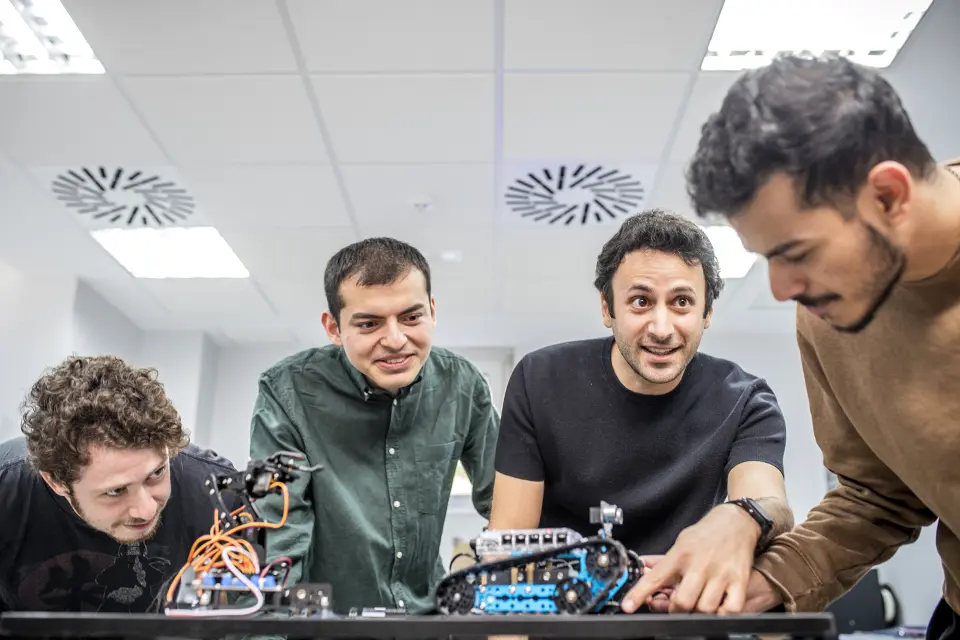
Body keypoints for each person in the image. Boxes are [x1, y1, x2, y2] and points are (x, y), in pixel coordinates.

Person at [649, 52, 960, 634]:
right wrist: (760, 581)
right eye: (768, 259)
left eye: (796, 253)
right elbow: (876, 497)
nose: (782, 287)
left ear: (889, 196)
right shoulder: (828, 318)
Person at [490, 209, 793, 613]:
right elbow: (505, 552)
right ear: (607, 308)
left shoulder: (746, 401)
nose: (662, 328)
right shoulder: (539, 380)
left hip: (682, 619)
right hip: (563, 623)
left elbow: (768, 503)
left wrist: (743, 516)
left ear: (707, 313)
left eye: (682, 302)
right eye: (640, 301)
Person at [248, 236, 499, 615]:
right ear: (333, 327)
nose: (396, 340)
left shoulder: (462, 385)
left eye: (412, 317)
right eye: (369, 324)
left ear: (432, 310)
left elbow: (506, 503)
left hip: (426, 621)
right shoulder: (288, 392)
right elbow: (281, 531)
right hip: (327, 624)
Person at [0, 354, 239, 613]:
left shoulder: (214, 491)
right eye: (115, 491)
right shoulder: (7, 490)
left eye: (156, 474)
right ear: (56, 481)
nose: (146, 510)